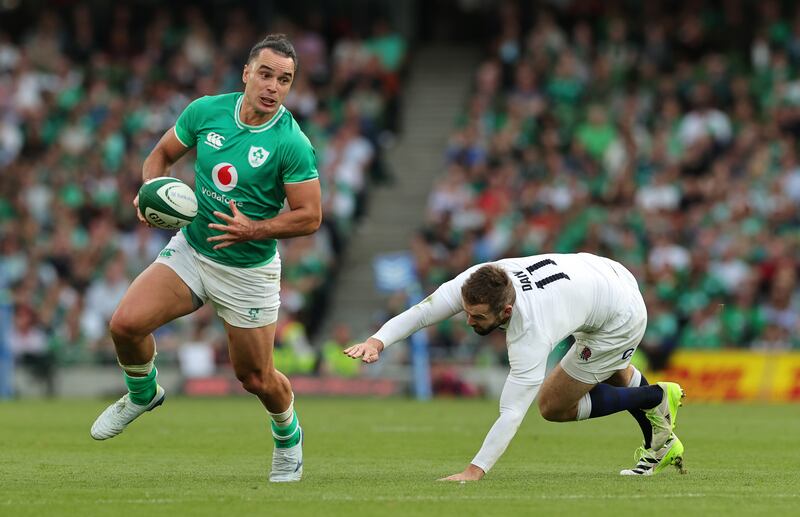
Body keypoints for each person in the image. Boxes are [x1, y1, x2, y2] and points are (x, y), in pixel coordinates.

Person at [90, 34, 321, 483]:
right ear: (247, 74)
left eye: (285, 80)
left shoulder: (292, 143)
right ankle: (142, 393)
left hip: (248, 269)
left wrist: (256, 228)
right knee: (125, 324)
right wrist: (149, 190)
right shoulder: (206, 111)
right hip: (193, 248)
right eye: (267, 74)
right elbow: (161, 155)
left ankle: (287, 435)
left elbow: (310, 216)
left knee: (255, 378)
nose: (274, 86)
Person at [345, 253, 686, 480]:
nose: (467, 321)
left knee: (552, 405)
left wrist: (474, 470)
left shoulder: (531, 331)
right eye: (467, 311)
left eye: (478, 317)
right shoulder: (478, 280)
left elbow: (511, 411)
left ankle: (654, 396)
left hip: (619, 316)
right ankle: (662, 443)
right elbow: (423, 312)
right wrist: (378, 341)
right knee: (614, 369)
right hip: (604, 273)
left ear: (506, 313)